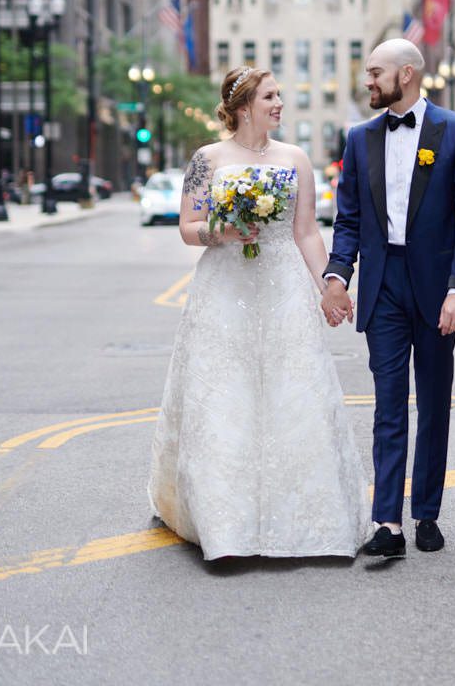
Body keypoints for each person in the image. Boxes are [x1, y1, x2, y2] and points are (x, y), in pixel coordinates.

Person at [147, 66, 372, 560]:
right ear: (244, 105)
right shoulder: (207, 159)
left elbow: (307, 231)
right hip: (224, 286)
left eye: (279, 96)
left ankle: (307, 519)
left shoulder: (295, 158)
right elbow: (188, 225)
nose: (279, 104)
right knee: (225, 395)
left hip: (283, 285)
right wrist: (222, 233)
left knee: (293, 392)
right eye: (270, 96)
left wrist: (328, 286)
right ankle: (224, 523)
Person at [321, 39, 455, 558]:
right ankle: (388, 522)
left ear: (408, 74)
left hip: (439, 287)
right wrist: (336, 276)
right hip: (383, 286)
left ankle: (427, 514)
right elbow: (347, 218)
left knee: (434, 402)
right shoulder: (359, 138)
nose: (368, 81)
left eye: (375, 72)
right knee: (388, 404)